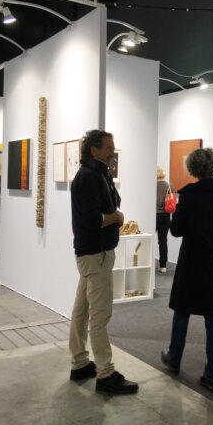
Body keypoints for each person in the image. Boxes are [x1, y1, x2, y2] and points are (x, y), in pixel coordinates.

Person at [161, 147, 213, 392]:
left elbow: (176, 230)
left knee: (182, 311)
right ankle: (212, 376)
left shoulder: (189, 194)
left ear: (194, 168)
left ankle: (174, 358)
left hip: (193, 262)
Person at [69, 129, 138, 395]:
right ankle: (105, 374)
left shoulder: (96, 174)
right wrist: (117, 218)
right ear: (94, 150)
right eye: (108, 148)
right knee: (100, 315)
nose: (112, 152)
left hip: (92, 253)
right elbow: (92, 219)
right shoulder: (89, 177)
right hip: (96, 253)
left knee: (82, 309)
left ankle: (79, 362)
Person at [156, 165, 174, 273]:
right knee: (163, 241)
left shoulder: (151, 185)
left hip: (154, 216)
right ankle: (163, 266)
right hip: (166, 216)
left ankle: (148, 262)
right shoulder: (169, 185)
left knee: (148, 239)